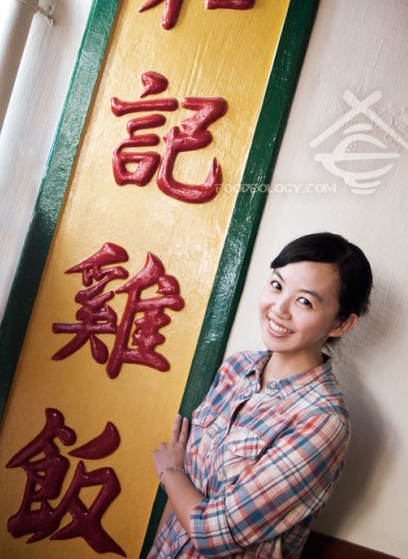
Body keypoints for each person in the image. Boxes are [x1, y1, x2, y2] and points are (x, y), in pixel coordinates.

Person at [148, 232, 373, 558]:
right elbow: (185, 491)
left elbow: (212, 535)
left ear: (341, 324)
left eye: (304, 301)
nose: (278, 309)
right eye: (277, 285)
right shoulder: (235, 369)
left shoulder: (322, 422)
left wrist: (170, 472)